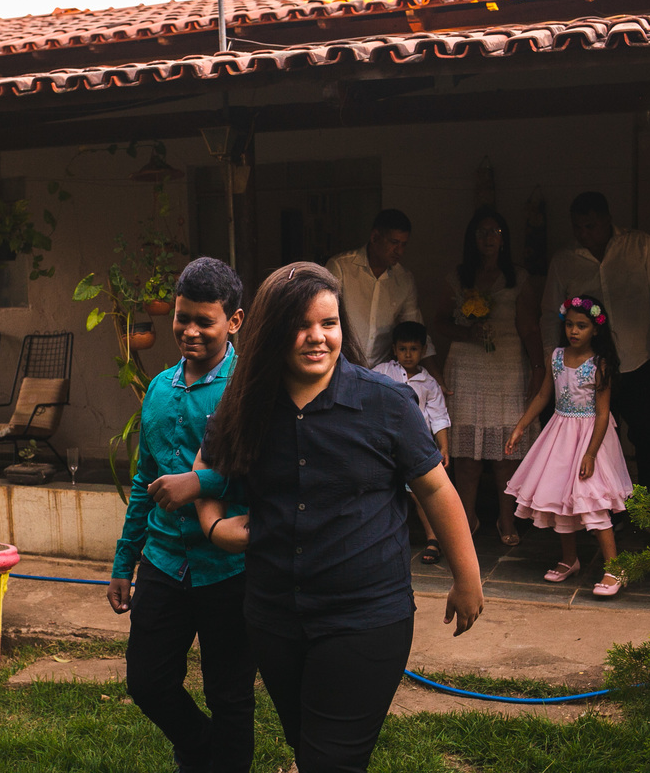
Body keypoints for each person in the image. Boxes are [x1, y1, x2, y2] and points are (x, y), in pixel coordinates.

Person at [194, 262, 483, 773]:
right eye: (301, 325)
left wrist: (467, 577)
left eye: (328, 324)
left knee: (329, 761)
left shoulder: (387, 403)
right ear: (272, 330)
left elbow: (436, 486)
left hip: (365, 617)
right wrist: (214, 525)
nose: (317, 338)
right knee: (309, 748)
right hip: (274, 614)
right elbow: (207, 467)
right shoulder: (246, 404)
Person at [106, 257, 254, 773]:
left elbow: (264, 473)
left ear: (233, 321)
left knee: (230, 696)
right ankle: (202, 749)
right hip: (164, 565)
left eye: (203, 321)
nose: (189, 331)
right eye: (181, 317)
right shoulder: (160, 390)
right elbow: (145, 483)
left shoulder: (249, 389)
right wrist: (125, 562)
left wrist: (202, 483)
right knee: (147, 682)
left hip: (228, 570)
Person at [541, 191, 650, 492]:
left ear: (608, 220)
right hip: (587, 368)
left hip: (637, 359)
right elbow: (548, 313)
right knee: (596, 440)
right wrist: (550, 360)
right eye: (577, 227)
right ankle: (609, 512)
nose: (583, 234)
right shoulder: (564, 259)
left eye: (590, 226)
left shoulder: (638, 244)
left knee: (648, 435)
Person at [505, 295, 634, 597]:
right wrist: (521, 426)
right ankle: (569, 559)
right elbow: (542, 396)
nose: (574, 331)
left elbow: (603, 413)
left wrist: (590, 452)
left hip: (591, 437)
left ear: (596, 330)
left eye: (582, 326)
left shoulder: (599, 364)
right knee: (561, 497)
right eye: (570, 325)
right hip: (561, 434)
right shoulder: (556, 357)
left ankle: (615, 567)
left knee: (591, 499)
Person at [435, 207, 545, 546]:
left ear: (504, 239)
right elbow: (437, 322)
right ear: (472, 238)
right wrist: (466, 331)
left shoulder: (518, 278)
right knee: (466, 456)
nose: (488, 238)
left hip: (508, 369)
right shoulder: (457, 277)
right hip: (467, 369)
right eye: (482, 232)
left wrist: (539, 367)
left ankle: (506, 519)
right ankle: (466, 518)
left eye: (495, 231)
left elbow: (529, 326)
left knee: (504, 454)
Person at [325, 208, 441, 378]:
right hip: (339, 369)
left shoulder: (404, 280)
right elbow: (323, 319)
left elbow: (416, 331)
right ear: (375, 237)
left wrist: (436, 378)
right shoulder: (341, 267)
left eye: (403, 244)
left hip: (380, 376)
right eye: (394, 242)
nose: (399, 251)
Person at [372, 320, 451, 564]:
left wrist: (444, 446)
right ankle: (379, 539)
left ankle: (433, 538)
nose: (408, 354)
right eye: (403, 348)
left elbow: (438, 416)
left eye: (414, 349)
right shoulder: (382, 372)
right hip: (384, 445)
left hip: (416, 447)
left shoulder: (429, 384)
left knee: (421, 494)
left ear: (423, 350)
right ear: (394, 349)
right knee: (383, 491)